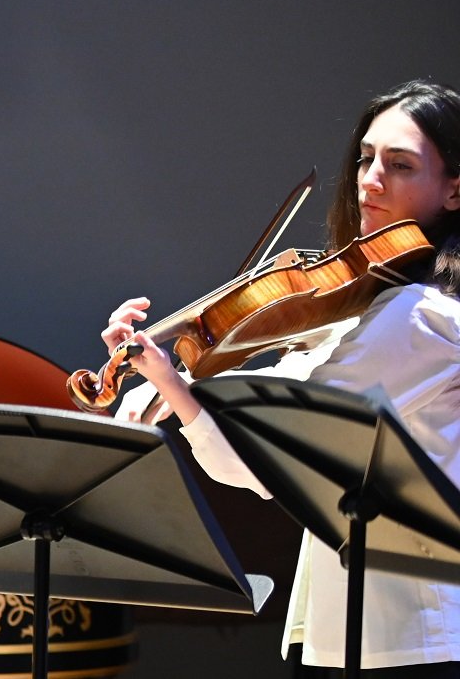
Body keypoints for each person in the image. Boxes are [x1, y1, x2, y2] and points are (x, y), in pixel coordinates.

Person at [104, 79, 460, 677]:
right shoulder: (369, 307)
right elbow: (254, 461)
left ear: (454, 189)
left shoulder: (420, 316)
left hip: (407, 634)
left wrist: (173, 386)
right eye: (365, 158)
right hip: (350, 623)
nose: (369, 179)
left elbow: (279, 450)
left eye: (400, 165)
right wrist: (168, 382)